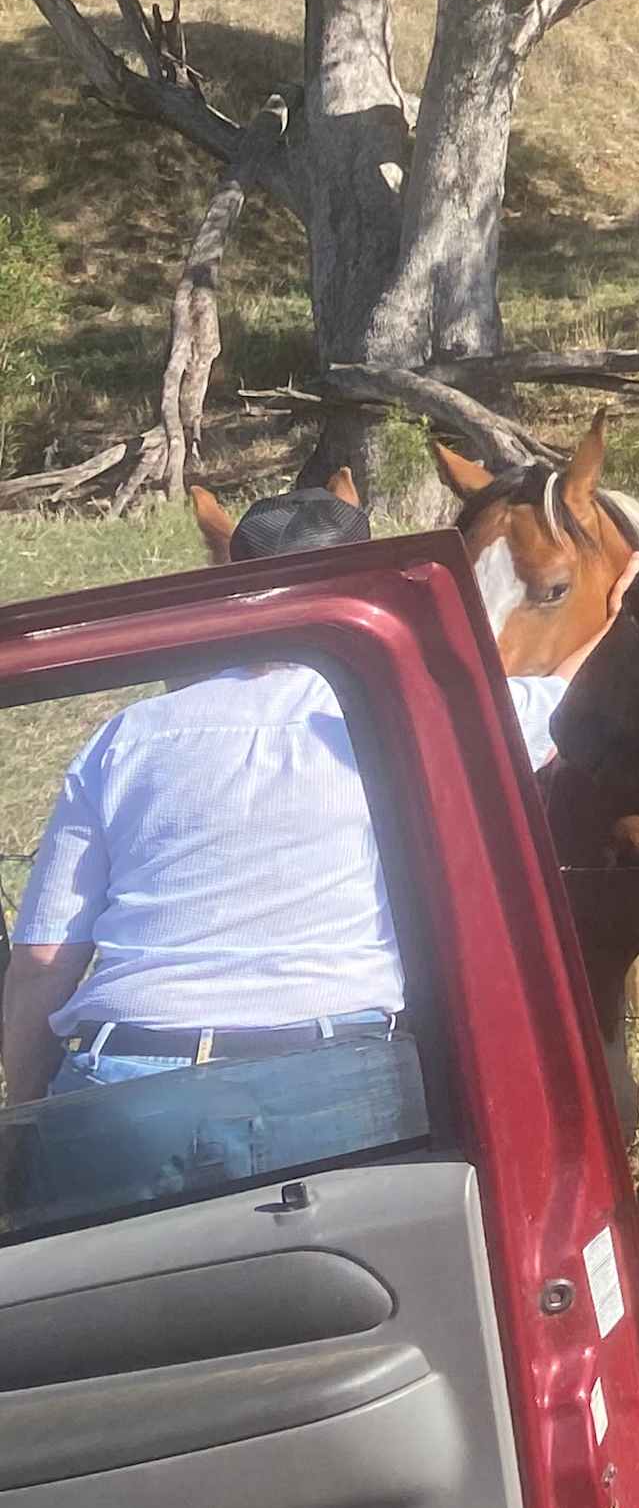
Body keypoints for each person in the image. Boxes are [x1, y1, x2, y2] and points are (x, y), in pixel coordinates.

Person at [2, 474, 426, 1222]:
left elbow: (40, 964)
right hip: (333, 1078)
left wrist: (31, 1125)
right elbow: (575, 708)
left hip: (125, 1087)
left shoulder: (127, 737)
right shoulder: (409, 717)